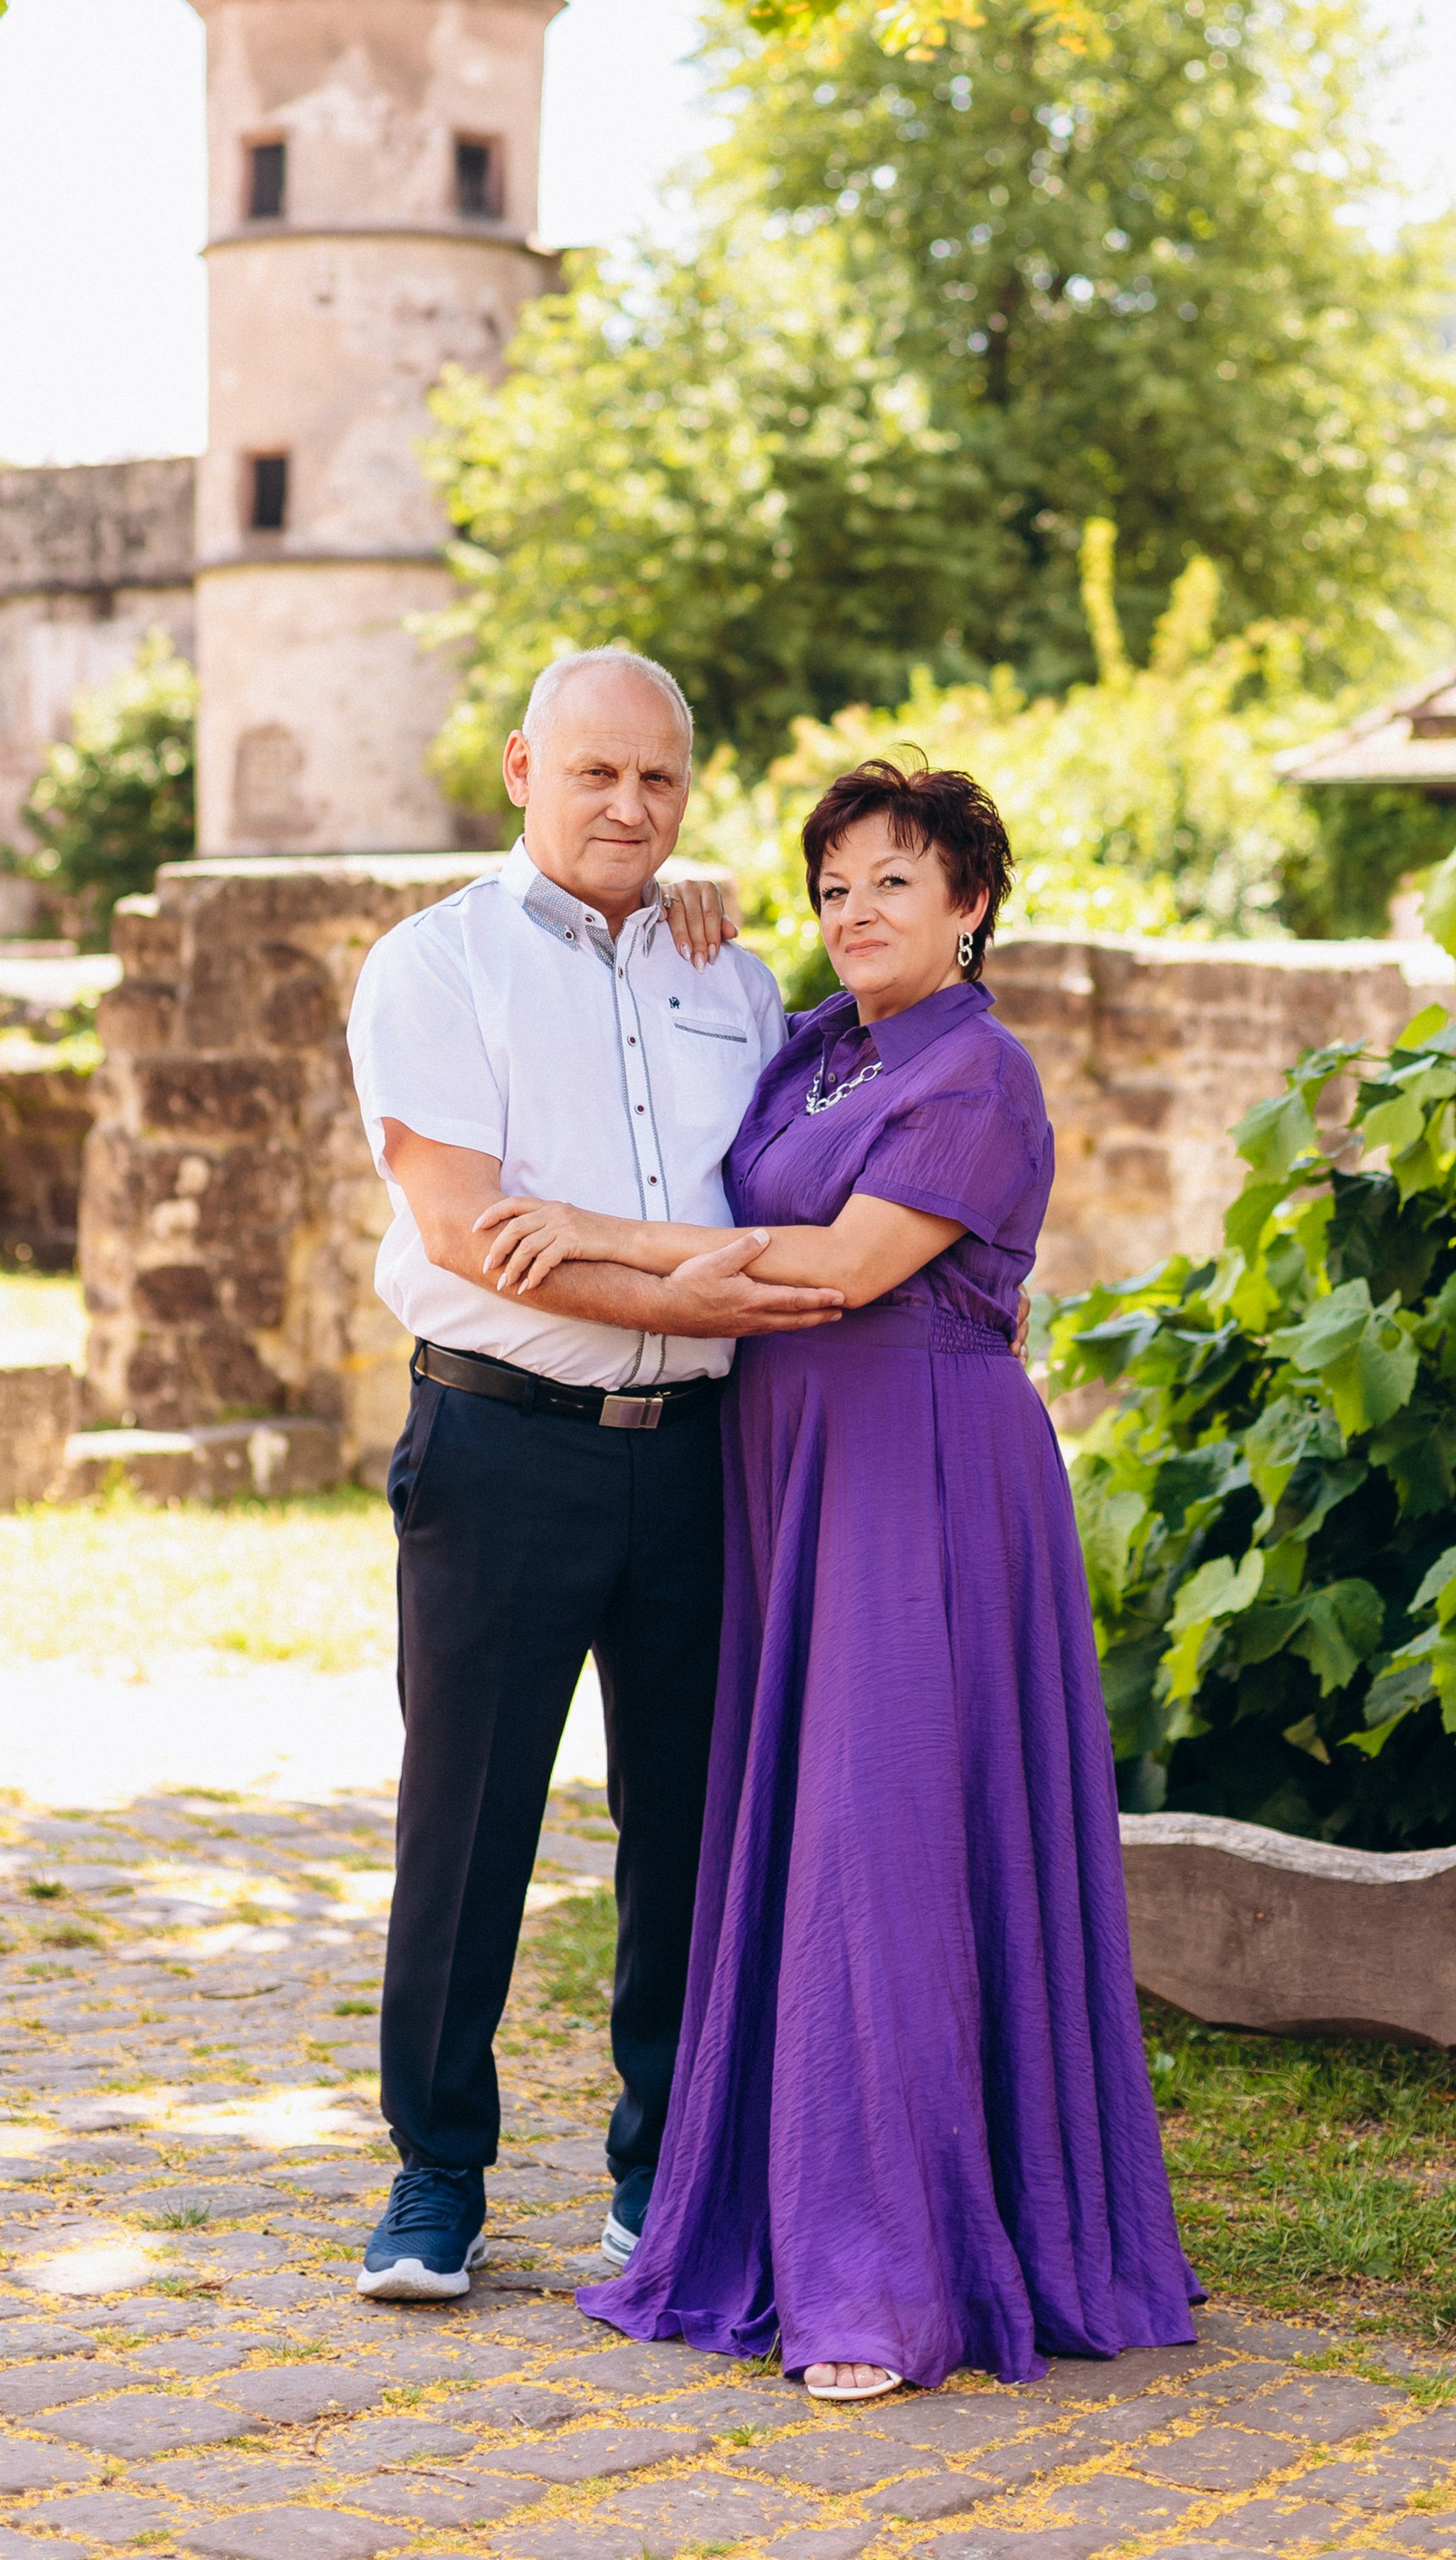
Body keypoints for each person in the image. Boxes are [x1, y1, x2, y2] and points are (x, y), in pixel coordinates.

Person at [473, 758, 1200, 2397]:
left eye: (896, 880)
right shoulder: (824, 1044)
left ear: (972, 905)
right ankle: (797, 2216)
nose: (859, 911)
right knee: (805, 1842)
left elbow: (838, 1271)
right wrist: (681, 900)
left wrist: (584, 1236)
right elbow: (746, 1184)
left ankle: (884, 2279)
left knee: (882, 1847)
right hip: (792, 1478)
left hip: (921, 1483)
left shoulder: (981, 1072)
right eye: (836, 885)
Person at [345, 645, 844, 2301]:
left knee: (690, 1828)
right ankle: (437, 2174)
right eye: (594, 774)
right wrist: (698, 1281)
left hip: (703, 1460)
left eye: (659, 780)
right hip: (499, 1445)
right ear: (518, 768)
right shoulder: (436, 969)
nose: (628, 806)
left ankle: (665, 2163)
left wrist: (697, 1296)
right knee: (468, 1819)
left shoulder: (736, 975)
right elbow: (466, 1232)